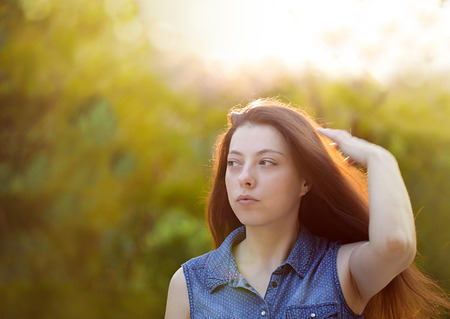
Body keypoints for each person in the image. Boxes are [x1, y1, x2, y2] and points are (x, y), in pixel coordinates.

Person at [165, 98, 448, 318]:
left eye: (266, 162)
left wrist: (378, 157)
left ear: (305, 182)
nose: (245, 177)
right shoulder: (191, 283)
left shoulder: (340, 270)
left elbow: (395, 244)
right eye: (234, 162)